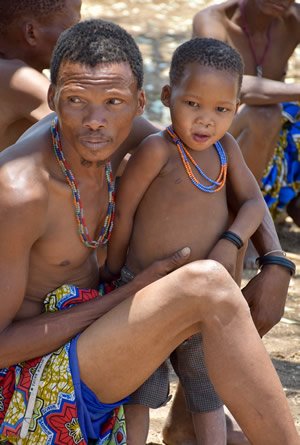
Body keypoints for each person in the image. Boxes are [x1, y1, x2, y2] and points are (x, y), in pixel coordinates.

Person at [0, 18, 299, 445]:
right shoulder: (20, 191)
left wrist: (274, 261)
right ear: (53, 98)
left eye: (114, 101)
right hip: (30, 386)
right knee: (207, 282)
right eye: (76, 100)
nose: (96, 120)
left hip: (98, 338)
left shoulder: (137, 140)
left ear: (140, 102)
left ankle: (187, 425)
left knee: (215, 280)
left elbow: (233, 180)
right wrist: (127, 293)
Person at [100, 37, 266, 445]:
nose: (206, 121)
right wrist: (114, 274)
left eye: (221, 109)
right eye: (193, 104)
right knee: (137, 386)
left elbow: (253, 204)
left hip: (201, 300)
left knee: (206, 385)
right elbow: (123, 214)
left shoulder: (226, 150)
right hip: (144, 291)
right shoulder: (157, 150)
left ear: (236, 109)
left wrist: (230, 241)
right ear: (167, 96)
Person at [193, 0, 300, 227]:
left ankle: (287, 202)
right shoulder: (213, 22)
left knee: (279, 113)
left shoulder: (293, 20)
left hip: (274, 149)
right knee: (264, 114)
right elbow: (226, 86)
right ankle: (243, 224)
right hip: (217, 142)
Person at [0, 0, 81, 151]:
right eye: (73, 29)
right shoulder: (18, 78)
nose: (81, 39)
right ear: (31, 33)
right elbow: (85, 136)